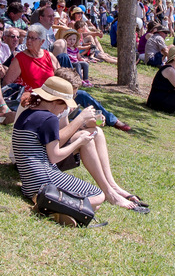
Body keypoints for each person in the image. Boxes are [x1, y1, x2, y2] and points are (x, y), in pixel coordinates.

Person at [3, 24, 130, 132]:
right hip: (39, 98)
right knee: (78, 113)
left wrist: (69, 96)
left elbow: (61, 76)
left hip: (56, 94)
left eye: (33, 38)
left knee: (83, 95)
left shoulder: (48, 56)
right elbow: (7, 84)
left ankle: (112, 120)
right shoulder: (20, 58)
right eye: (28, 38)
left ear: (42, 42)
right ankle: (91, 120)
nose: (29, 41)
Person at [11, 76, 106, 219]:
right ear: (56, 102)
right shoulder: (50, 119)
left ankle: (55, 204)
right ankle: (52, 203)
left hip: (28, 185)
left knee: (93, 206)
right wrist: (79, 142)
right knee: (98, 195)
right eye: (65, 105)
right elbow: (55, 157)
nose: (65, 110)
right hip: (44, 179)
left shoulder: (27, 113)